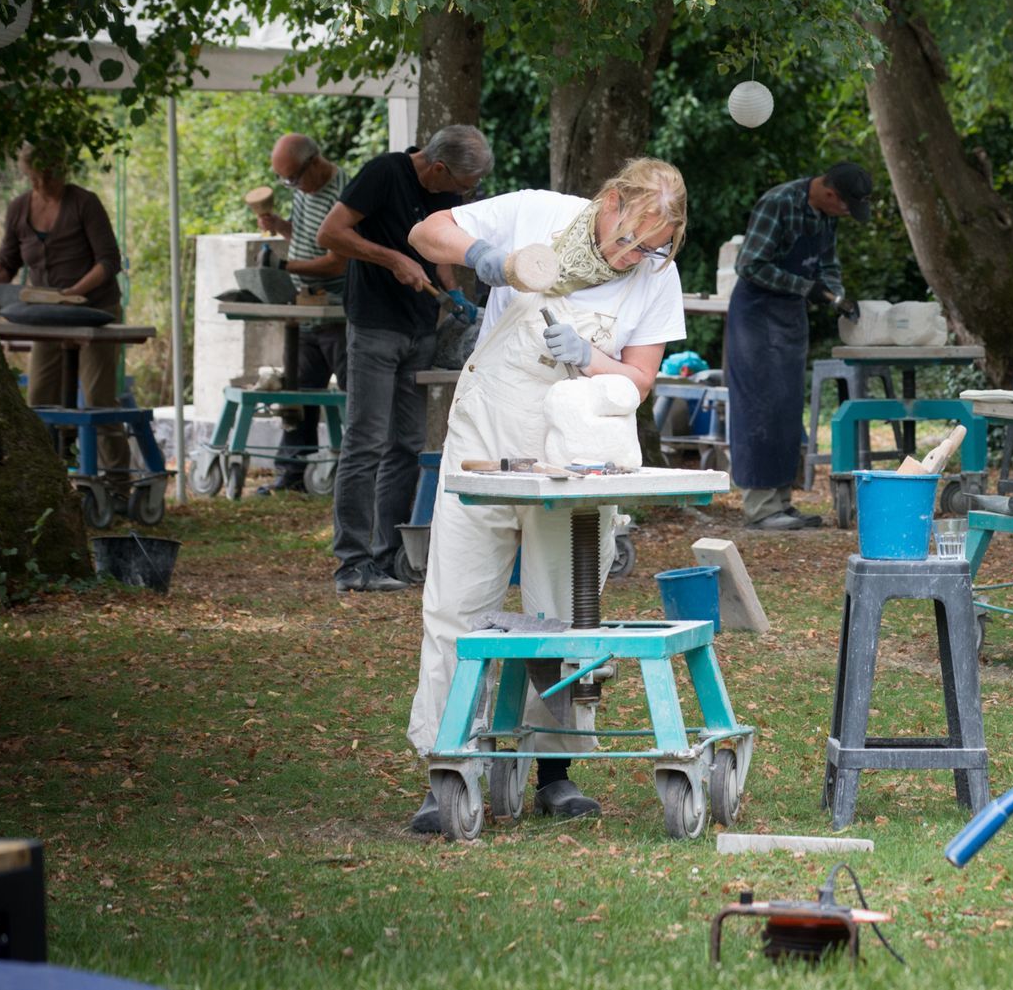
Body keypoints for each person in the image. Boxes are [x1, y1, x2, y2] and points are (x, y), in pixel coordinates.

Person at [402, 159, 688, 833]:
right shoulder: (535, 212)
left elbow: (639, 380)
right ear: (609, 202)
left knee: (565, 613)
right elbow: (425, 231)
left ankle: (555, 771)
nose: (635, 258)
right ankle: (449, 767)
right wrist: (487, 257)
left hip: (578, 458)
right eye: (630, 240)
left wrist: (589, 359)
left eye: (653, 248)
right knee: (456, 606)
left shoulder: (656, 275)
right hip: (487, 438)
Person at [316, 126, 492, 594]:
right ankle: (352, 564)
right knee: (366, 441)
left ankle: (388, 556)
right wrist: (392, 258)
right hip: (374, 325)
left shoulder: (442, 193)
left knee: (407, 444)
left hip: (420, 329)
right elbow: (330, 233)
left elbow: (439, 247)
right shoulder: (384, 173)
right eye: (462, 185)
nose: (463, 194)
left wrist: (452, 291)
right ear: (438, 168)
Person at [726, 163, 871, 530]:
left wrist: (836, 295)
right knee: (759, 406)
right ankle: (760, 507)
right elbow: (750, 265)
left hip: (790, 315)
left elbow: (827, 264)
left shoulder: (826, 216)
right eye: (846, 207)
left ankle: (782, 503)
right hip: (756, 315)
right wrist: (806, 288)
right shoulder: (779, 203)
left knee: (786, 408)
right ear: (830, 194)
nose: (846, 214)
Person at [0, 146, 128, 488]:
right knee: (38, 398)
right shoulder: (19, 208)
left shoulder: (84, 203)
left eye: (49, 177)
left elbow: (108, 261)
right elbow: (6, 262)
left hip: (96, 311)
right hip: (46, 316)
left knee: (97, 399)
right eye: (34, 178)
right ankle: (44, 478)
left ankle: (118, 481)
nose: (42, 184)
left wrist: (73, 293)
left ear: (63, 170)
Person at [251, 132, 347, 495]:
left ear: (315, 163)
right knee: (299, 393)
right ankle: (292, 473)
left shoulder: (343, 194)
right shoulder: (304, 190)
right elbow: (307, 239)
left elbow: (338, 261)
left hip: (337, 310)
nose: (291, 186)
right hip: (304, 309)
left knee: (354, 397)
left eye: (292, 178)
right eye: (284, 180)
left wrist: (285, 265)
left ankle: (355, 473)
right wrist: (280, 227)